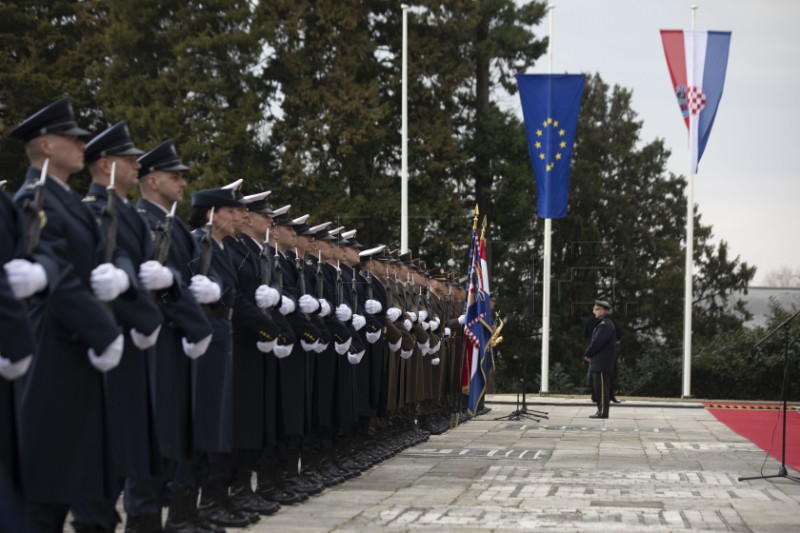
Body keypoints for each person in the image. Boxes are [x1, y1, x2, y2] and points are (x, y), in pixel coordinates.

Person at [10, 97, 130, 532]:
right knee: (51, 492)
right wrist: (105, 334)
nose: (82, 144)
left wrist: (118, 279)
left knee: (83, 487)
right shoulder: (33, 200)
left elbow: (94, 263)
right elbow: (54, 273)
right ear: (45, 146)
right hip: (54, 355)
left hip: (80, 356)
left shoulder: (71, 204)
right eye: (72, 137)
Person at [584, 299, 617, 419]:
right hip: (599, 362)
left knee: (602, 389)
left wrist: (588, 353)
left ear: (603, 310)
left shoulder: (605, 324)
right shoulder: (603, 323)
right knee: (598, 388)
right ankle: (600, 410)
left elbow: (597, 342)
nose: (594, 312)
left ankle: (603, 412)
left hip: (602, 362)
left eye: (596, 309)